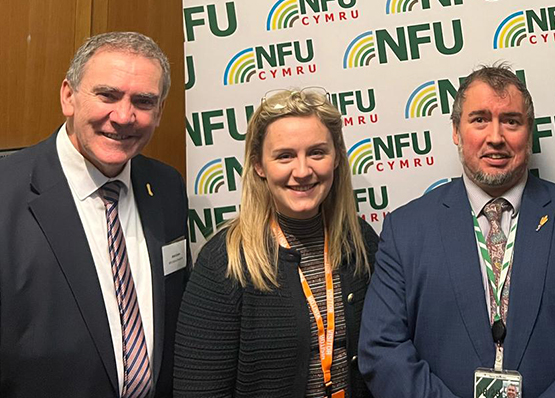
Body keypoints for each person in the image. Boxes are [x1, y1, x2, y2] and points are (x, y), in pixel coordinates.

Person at [359, 64, 555, 398]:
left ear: (530, 132)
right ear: (456, 130)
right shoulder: (406, 230)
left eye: (511, 121)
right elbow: (382, 348)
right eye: (479, 119)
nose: (495, 137)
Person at [0, 32, 189, 397]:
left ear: (160, 112)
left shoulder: (166, 188)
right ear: (68, 97)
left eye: (144, 101)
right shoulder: (7, 194)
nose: (123, 116)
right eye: (107, 95)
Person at [173, 87, 378, 397]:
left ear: (336, 158)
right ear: (259, 165)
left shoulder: (361, 242)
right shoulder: (225, 261)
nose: (303, 171)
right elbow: (199, 390)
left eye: (317, 152)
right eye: (285, 156)